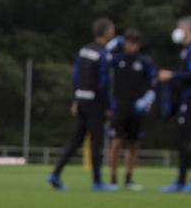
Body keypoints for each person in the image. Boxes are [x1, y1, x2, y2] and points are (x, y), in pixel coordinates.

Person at [47, 18, 116, 191]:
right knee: (96, 141)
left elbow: (76, 77)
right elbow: (104, 83)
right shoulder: (103, 54)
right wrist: (108, 106)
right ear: (106, 32)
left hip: (81, 100)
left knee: (76, 140)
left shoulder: (84, 50)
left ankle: (55, 173)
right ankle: (97, 181)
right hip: (96, 103)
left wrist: (75, 99)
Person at [157, 15, 191, 193]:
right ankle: (180, 181)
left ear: (189, 30)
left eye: (180, 27)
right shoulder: (186, 50)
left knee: (182, 140)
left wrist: (172, 75)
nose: (177, 31)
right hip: (184, 98)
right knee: (180, 139)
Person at [107, 29, 156, 190]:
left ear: (139, 44)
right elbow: (103, 59)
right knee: (116, 143)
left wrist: (148, 98)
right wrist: (110, 46)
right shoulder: (117, 59)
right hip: (120, 107)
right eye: (129, 42)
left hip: (137, 108)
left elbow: (153, 83)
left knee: (133, 144)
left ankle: (128, 179)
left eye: (135, 43)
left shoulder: (145, 62)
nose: (131, 46)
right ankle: (113, 179)